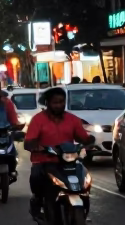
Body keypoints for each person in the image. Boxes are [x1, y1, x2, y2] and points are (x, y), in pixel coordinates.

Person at [24, 86, 94, 214]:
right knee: (36, 177)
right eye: (55, 102)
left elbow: (83, 137)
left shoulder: (72, 119)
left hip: (67, 161)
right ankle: (37, 200)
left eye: (61, 102)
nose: (59, 105)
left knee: (84, 176)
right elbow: (29, 141)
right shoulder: (38, 120)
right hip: (44, 161)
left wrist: (89, 142)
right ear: (48, 103)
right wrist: (38, 147)